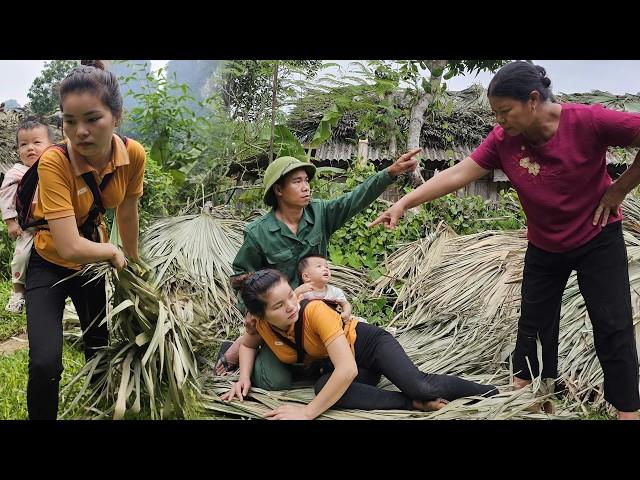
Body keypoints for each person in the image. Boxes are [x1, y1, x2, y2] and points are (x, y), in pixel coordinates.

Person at [369, 61, 640, 420]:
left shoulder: (587, 121)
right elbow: (458, 174)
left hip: (597, 238)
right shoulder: (503, 141)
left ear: (532, 100)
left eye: (505, 111)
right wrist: (403, 202)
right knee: (533, 326)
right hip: (545, 244)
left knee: (612, 325)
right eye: (495, 113)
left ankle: (627, 411)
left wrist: (619, 189)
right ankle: (529, 402)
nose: (500, 121)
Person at [215, 148, 421, 380]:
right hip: (282, 315)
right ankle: (242, 351)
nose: (306, 187)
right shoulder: (258, 232)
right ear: (279, 190)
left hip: (315, 310)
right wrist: (252, 311)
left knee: (337, 365)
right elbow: (241, 276)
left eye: (306, 180)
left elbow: (354, 199)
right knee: (275, 382)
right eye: (297, 181)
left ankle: (297, 360)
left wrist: (390, 172)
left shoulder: (320, 214)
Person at [25, 60, 146, 420]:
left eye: (93, 119)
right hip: (49, 263)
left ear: (117, 116)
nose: (80, 132)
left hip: (90, 267)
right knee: (45, 362)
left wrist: (134, 262)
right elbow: (69, 246)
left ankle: (97, 410)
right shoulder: (53, 161)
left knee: (99, 348)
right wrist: (112, 252)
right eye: (69, 121)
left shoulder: (133, 155)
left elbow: (126, 213)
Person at [221, 269, 498, 419]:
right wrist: (243, 378)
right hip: (346, 364)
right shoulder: (260, 324)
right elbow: (248, 344)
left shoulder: (314, 311)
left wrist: (307, 413)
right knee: (324, 389)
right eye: (279, 306)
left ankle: (492, 392)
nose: (292, 307)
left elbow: (347, 370)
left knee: (420, 385)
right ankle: (412, 405)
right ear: (260, 315)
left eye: (291, 297)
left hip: (368, 346)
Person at [0, 118, 54, 313]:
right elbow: (6, 197)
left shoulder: (54, 169)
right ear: (18, 149)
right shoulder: (16, 172)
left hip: (54, 225)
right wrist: (10, 222)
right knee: (20, 258)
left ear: (51, 146)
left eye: (37, 142)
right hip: (28, 227)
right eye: (24, 144)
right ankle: (17, 292)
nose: (30, 148)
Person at [294, 254, 354, 322]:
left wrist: (347, 312)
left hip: (333, 322)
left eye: (327, 267)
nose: (325, 269)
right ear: (306, 277)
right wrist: (297, 292)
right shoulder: (303, 292)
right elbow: (291, 304)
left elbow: (345, 303)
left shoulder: (334, 291)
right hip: (311, 324)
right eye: (319, 266)